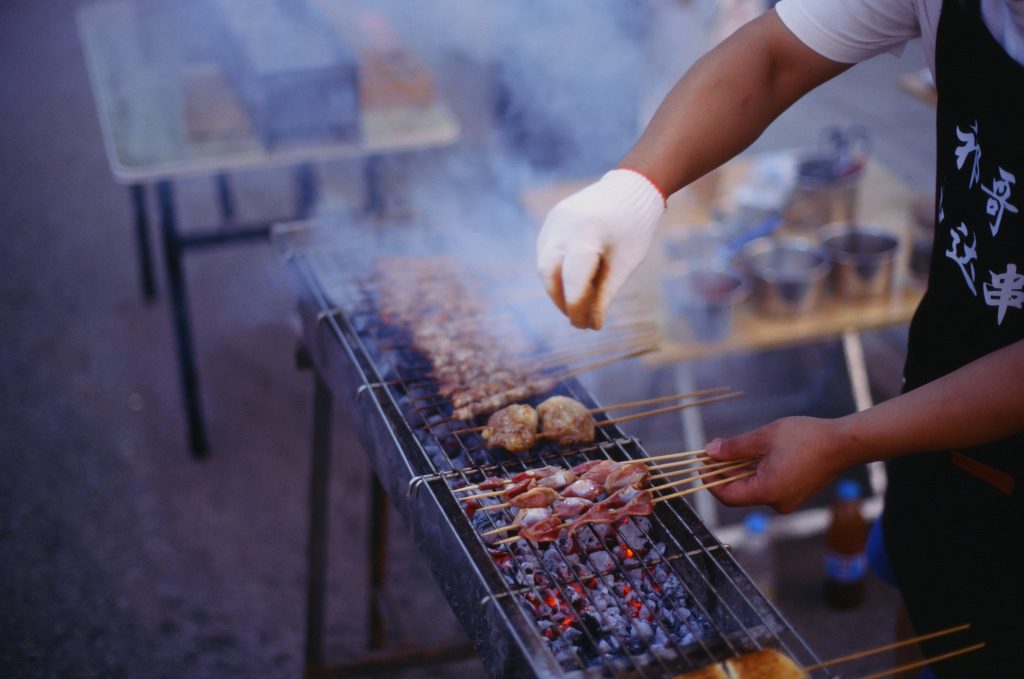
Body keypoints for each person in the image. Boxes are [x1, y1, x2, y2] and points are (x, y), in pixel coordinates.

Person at [536, 0, 1024, 674]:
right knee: (931, 601)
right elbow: (773, 57)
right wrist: (636, 186)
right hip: (942, 384)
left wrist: (845, 438)